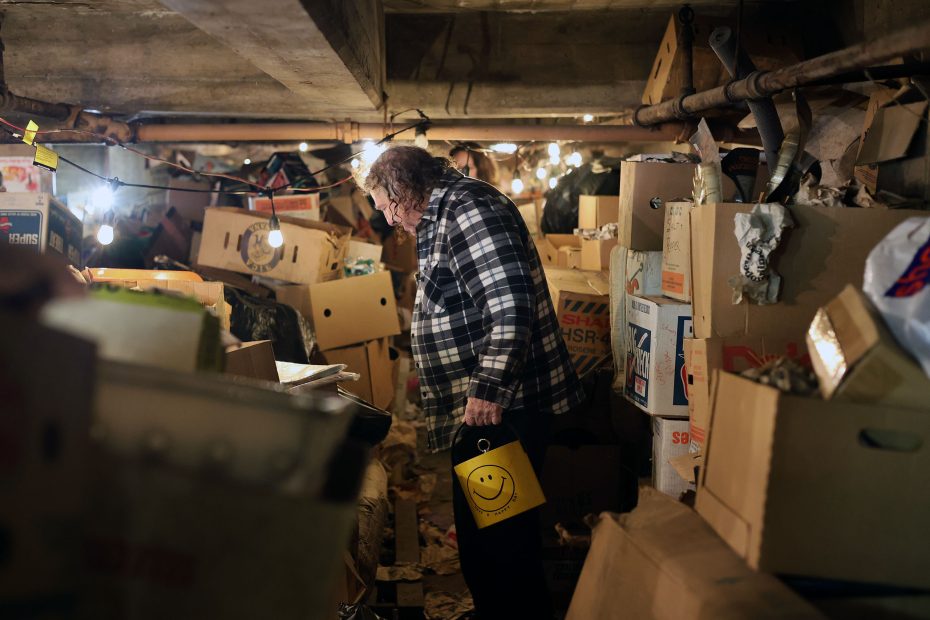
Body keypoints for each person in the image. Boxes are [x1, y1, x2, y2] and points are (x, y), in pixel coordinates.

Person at [364, 146, 584, 619]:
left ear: (402, 193)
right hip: (488, 409)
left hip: (505, 409)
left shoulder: (469, 209)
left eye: (384, 206)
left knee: (504, 544)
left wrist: (487, 389)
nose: (386, 219)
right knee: (484, 541)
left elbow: (510, 306)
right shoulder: (445, 215)